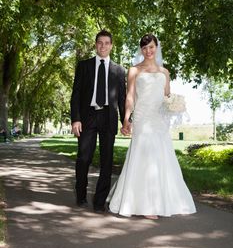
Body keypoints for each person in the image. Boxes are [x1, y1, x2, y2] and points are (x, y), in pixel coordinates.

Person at [107, 33, 196, 219]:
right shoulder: (134, 70)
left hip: (159, 120)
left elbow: (166, 97)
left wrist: (174, 105)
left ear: (157, 47)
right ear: (141, 50)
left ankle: (164, 201)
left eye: (151, 47)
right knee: (144, 156)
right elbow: (130, 97)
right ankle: (146, 205)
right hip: (142, 118)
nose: (148, 51)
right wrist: (126, 120)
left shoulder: (165, 72)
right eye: (145, 48)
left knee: (160, 158)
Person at [71, 30, 126, 213]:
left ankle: (99, 201)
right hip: (87, 117)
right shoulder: (84, 66)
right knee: (84, 157)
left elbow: (122, 98)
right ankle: (80, 195)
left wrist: (127, 121)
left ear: (111, 45)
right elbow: (76, 94)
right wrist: (76, 119)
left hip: (108, 118)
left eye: (106, 43)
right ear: (96, 45)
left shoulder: (119, 71)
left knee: (107, 160)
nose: (103, 46)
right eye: (99, 42)